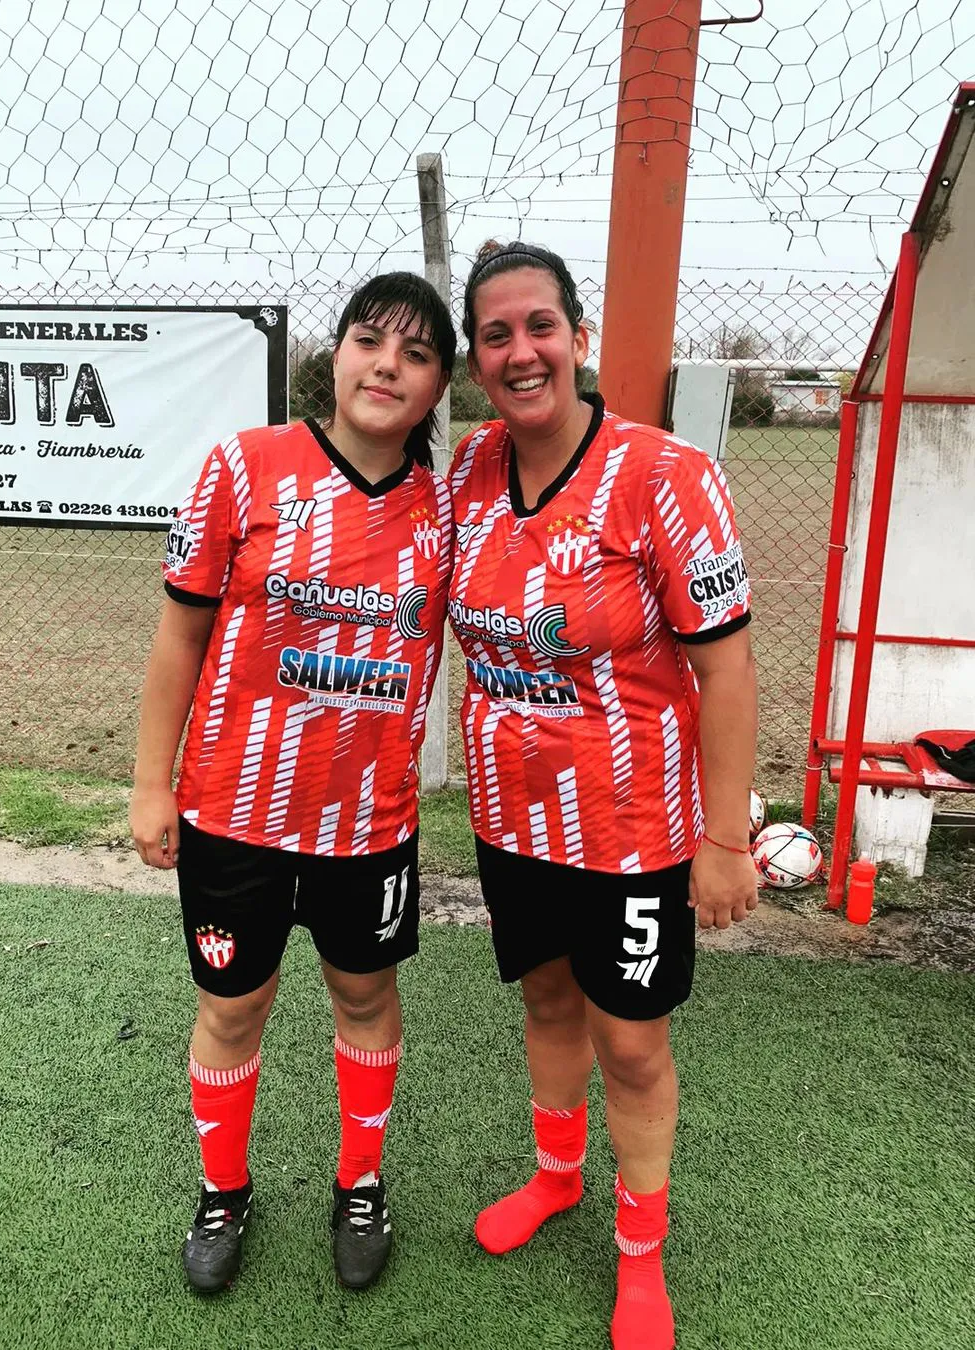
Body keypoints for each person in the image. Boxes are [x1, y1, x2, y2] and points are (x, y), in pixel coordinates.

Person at [449, 241, 758, 1350]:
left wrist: (726, 838)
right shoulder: (469, 474)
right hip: (512, 819)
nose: (520, 350)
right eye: (495, 334)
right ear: (478, 359)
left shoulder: (667, 475)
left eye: (539, 325)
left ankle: (641, 1261)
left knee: (630, 1043)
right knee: (543, 1000)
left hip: (634, 831)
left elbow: (724, 664)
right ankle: (556, 1177)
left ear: (576, 337)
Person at [130, 272, 455, 1296]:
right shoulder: (245, 467)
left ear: (439, 382)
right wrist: (151, 784)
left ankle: (361, 1183)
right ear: (337, 354)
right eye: (371, 340)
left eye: (414, 353)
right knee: (234, 1004)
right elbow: (181, 635)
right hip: (233, 813)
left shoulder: (451, 512)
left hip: (369, 825)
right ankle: (223, 1191)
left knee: (364, 993)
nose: (386, 365)